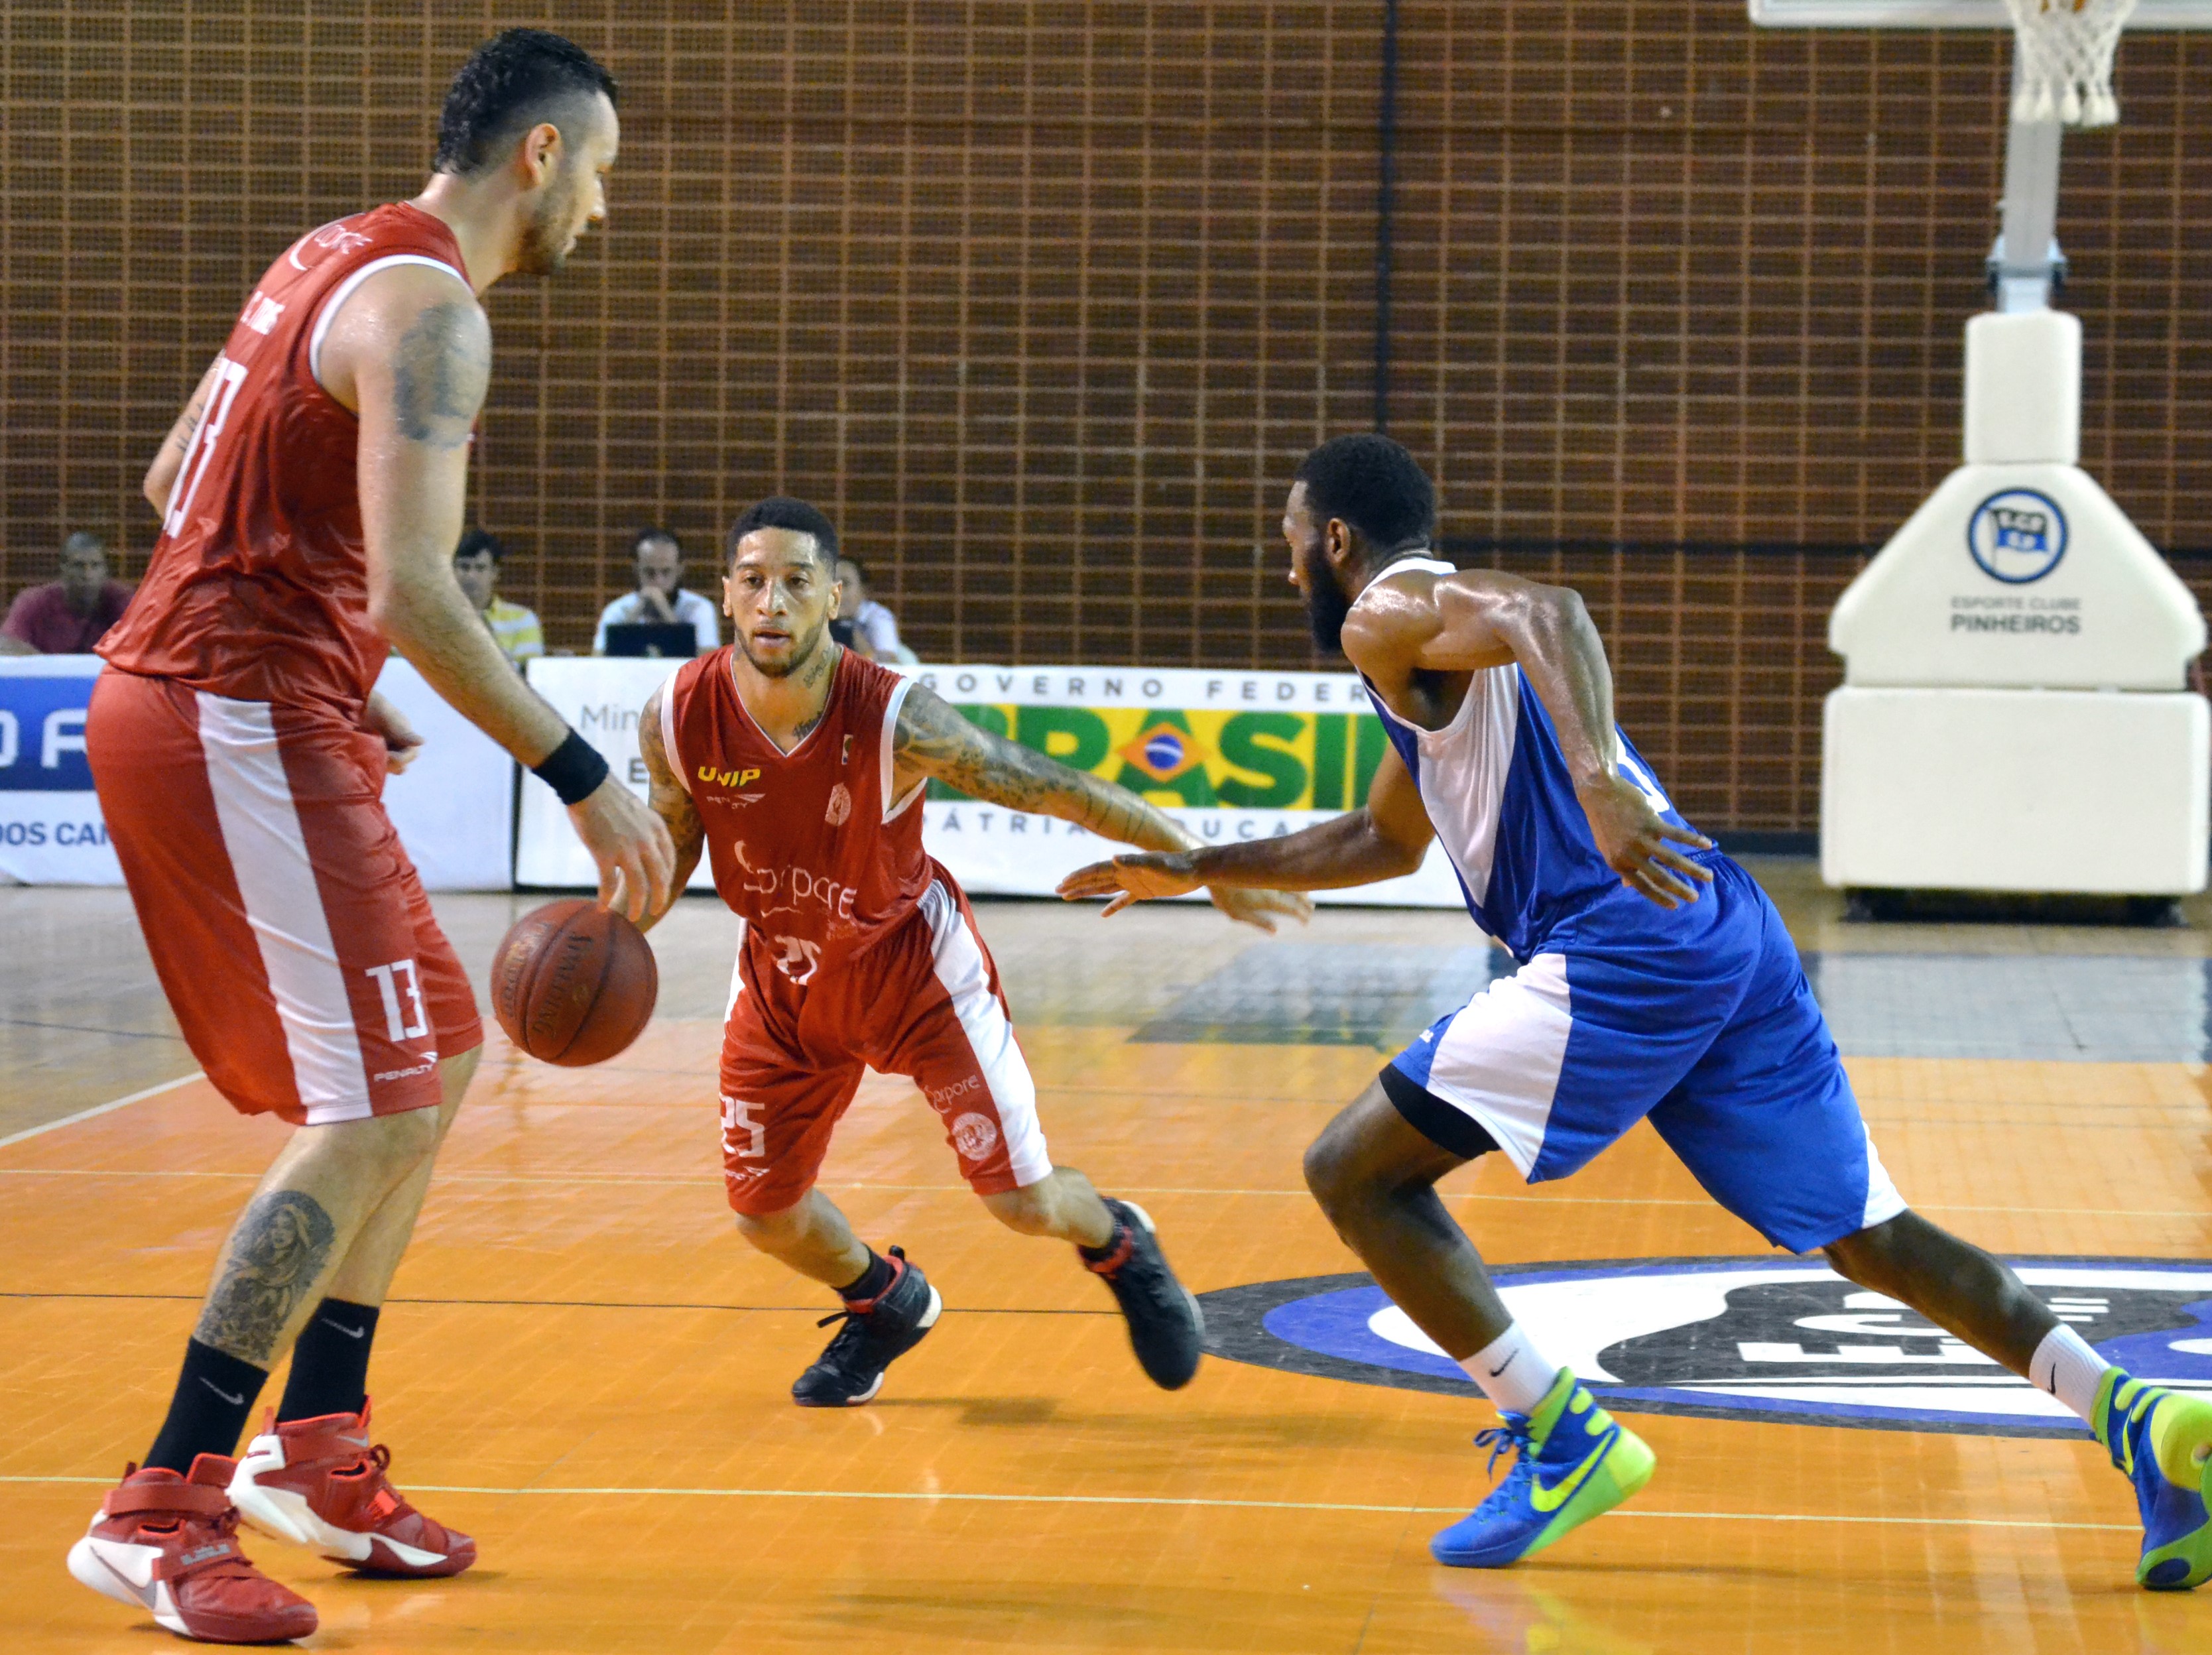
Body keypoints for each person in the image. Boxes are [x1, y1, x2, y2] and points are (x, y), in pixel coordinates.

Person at [1059, 433, 2212, 1592]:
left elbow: (1548, 606)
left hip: (1626, 943)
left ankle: (1561, 1435)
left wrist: (1601, 775)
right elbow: (1382, 839)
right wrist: (1200, 862)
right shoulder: (1420, 654)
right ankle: (2137, 1421)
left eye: (1291, 537)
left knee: (1355, 1174)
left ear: (1338, 541)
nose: (1286, 560)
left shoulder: (1388, 610)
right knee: (1872, 1235)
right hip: (1724, 924)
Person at [73, 30, 674, 1643]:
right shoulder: (434, 312)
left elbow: (170, 478)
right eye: (602, 174)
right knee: (369, 1102)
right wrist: (580, 770)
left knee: (438, 1051)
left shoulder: (331, 254)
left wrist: (338, 664)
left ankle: (317, 1442)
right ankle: (163, 1500)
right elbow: (419, 585)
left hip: (243, 688)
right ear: (540, 159)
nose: (602, 213)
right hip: (229, 704)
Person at [635, 496, 1310, 1409]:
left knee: (1022, 1202)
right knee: (764, 1216)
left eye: (797, 582)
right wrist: (612, 928)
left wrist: (1197, 864)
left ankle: (1118, 1240)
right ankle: (886, 1301)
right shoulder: (677, 714)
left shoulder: (894, 716)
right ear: (724, 594)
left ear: (833, 596)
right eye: (753, 581)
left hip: (913, 974)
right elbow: (672, 843)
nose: (772, 602)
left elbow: (1045, 784)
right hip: (783, 981)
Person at [0, 530, 135, 655]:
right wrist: (55, 669)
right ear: (63, 569)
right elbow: (6, 645)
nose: (87, 575)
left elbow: (146, 644)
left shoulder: (122, 600)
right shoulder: (34, 602)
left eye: (95, 565)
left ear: (105, 570)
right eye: (79, 566)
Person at [592, 526, 719, 653]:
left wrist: (664, 610)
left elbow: (708, 661)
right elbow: (598, 661)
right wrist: (635, 614)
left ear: (680, 569)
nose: (658, 581)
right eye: (650, 572)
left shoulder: (699, 608)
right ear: (636, 570)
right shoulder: (618, 610)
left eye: (666, 572)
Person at [452, 526, 543, 670]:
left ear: (495, 573)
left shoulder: (523, 620)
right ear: (451, 570)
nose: (471, 576)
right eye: (464, 567)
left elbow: (528, 675)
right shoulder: (433, 617)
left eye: (480, 568)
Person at [836, 556, 915, 664]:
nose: (836, 591)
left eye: (846, 584)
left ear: (864, 591)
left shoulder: (879, 617)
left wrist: (852, 634)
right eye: (831, 582)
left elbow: (889, 664)